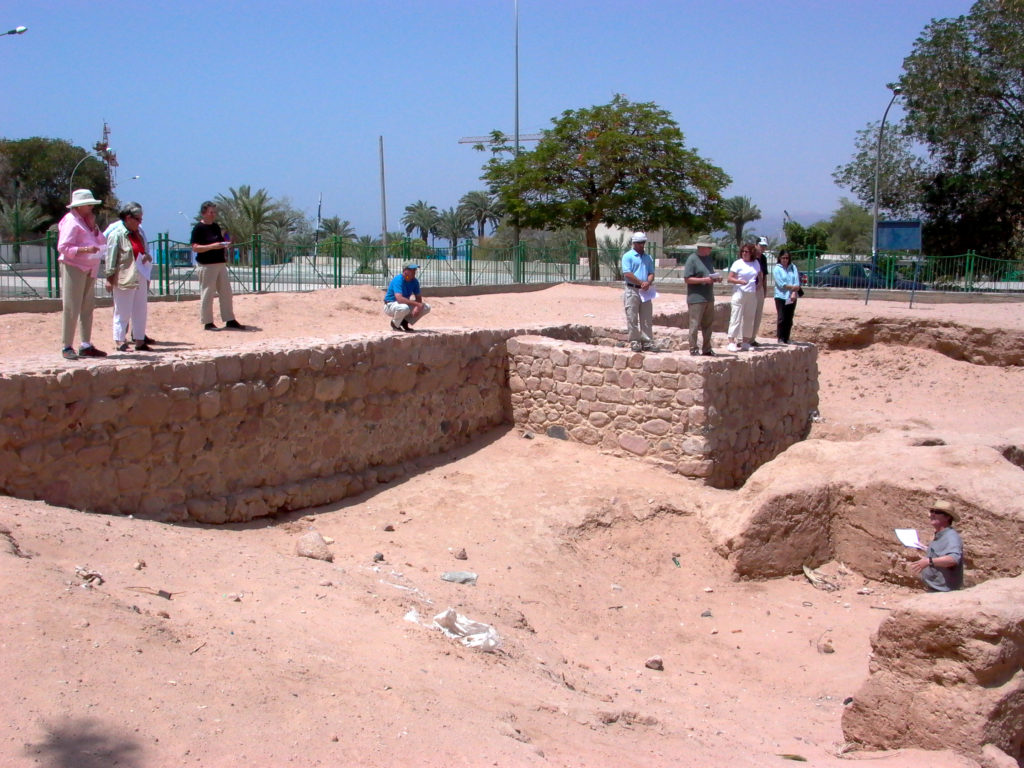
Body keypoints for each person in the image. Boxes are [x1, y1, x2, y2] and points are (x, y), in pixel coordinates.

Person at [57, 189, 108, 360]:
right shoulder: (71, 221)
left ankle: (85, 344)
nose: (91, 207)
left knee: (87, 306)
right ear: (79, 206)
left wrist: (93, 227)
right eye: (88, 204)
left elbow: (102, 240)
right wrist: (85, 249)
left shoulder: (87, 222)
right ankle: (67, 345)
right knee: (72, 306)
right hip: (74, 266)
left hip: (89, 267)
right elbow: (63, 247)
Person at [105, 202, 154, 352]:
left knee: (140, 309)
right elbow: (111, 257)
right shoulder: (117, 234)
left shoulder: (138, 233)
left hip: (140, 274)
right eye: (137, 219)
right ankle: (120, 340)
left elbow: (143, 250)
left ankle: (140, 340)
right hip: (124, 276)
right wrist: (109, 277)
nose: (139, 223)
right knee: (123, 310)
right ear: (128, 218)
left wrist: (146, 257)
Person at [190, 201, 246, 331]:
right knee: (208, 293)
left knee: (226, 292)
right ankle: (208, 322)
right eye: (211, 212)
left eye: (215, 212)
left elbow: (219, 240)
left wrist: (225, 244)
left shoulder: (215, 226)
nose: (213, 215)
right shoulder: (198, 228)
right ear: (204, 213)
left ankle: (229, 319)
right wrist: (212, 247)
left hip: (220, 263)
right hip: (206, 265)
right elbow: (195, 248)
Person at [909, 499, 964, 592]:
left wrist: (929, 561)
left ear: (947, 517)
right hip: (935, 589)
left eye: (937, 512)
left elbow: (953, 559)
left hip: (943, 592)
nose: (932, 515)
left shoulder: (951, 537)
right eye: (932, 511)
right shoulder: (940, 534)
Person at [683, 235, 721, 356]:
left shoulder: (708, 259)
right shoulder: (692, 259)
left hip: (709, 296)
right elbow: (687, 279)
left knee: (708, 325)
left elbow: (710, 274)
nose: (710, 250)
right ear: (702, 247)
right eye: (708, 247)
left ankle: (707, 348)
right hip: (696, 297)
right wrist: (704, 280)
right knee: (694, 324)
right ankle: (693, 348)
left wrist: (716, 278)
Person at [621, 231, 657, 352]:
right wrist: (640, 282)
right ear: (634, 243)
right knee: (632, 316)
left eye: (643, 242)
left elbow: (651, 273)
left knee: (646, 317)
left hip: (645, 290)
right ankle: (634, 341)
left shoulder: (648, 258)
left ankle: (647, 341)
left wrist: (648, 282)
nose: (642, 245)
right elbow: (627, 273)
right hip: (632, 289)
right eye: (639, 243)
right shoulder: (628, 256)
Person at [725, 243, 761, 352]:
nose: (744, 253)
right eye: (743, 251)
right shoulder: (737, 263)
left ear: (752, 253)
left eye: (747, 251)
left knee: (749, 318)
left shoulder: (756, 263)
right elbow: (729, 278)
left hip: (751, 293)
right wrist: (740, 281)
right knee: (736, 316)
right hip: (739, 292)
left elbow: (760, 275)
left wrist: (759, 285)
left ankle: (745, 341)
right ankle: (731, 341)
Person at [384, 264, 431, 332]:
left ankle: (405, 322)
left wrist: (417, 306)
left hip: (403, 304)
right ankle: (395, 323)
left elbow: (418, 298)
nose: (414, 272)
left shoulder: (414, 281)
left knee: (426, 307)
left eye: (414, 270)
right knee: (404, 308)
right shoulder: (398, 280)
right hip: (390, 305)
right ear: (405, 271)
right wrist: (417, 304)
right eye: (411, 270)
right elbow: (399, 299)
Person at [772, 249, 801, 344]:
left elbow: (796, 280)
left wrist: (794, 292)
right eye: (783, 258)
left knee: (789, 317)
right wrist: (794, 287)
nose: (785, 260)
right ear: (780, 258)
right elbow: (781, 284)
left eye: (787, 258)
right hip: (780, 296)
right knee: (782, 318)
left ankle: (786, 337)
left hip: (791, 296)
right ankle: (780, 338)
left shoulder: (793, 267)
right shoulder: (777, 269)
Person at [750, 236, 770, 346]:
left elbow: (765, 275)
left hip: (760, 288)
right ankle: (744, 338)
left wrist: (765, 289)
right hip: (750, 287)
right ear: (756, 245)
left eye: (764, 247)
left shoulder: (763, 259)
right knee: (749, 313)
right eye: (761, 246)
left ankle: (752, 338)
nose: (762, 248)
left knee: (758, 313)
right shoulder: (751, 257)